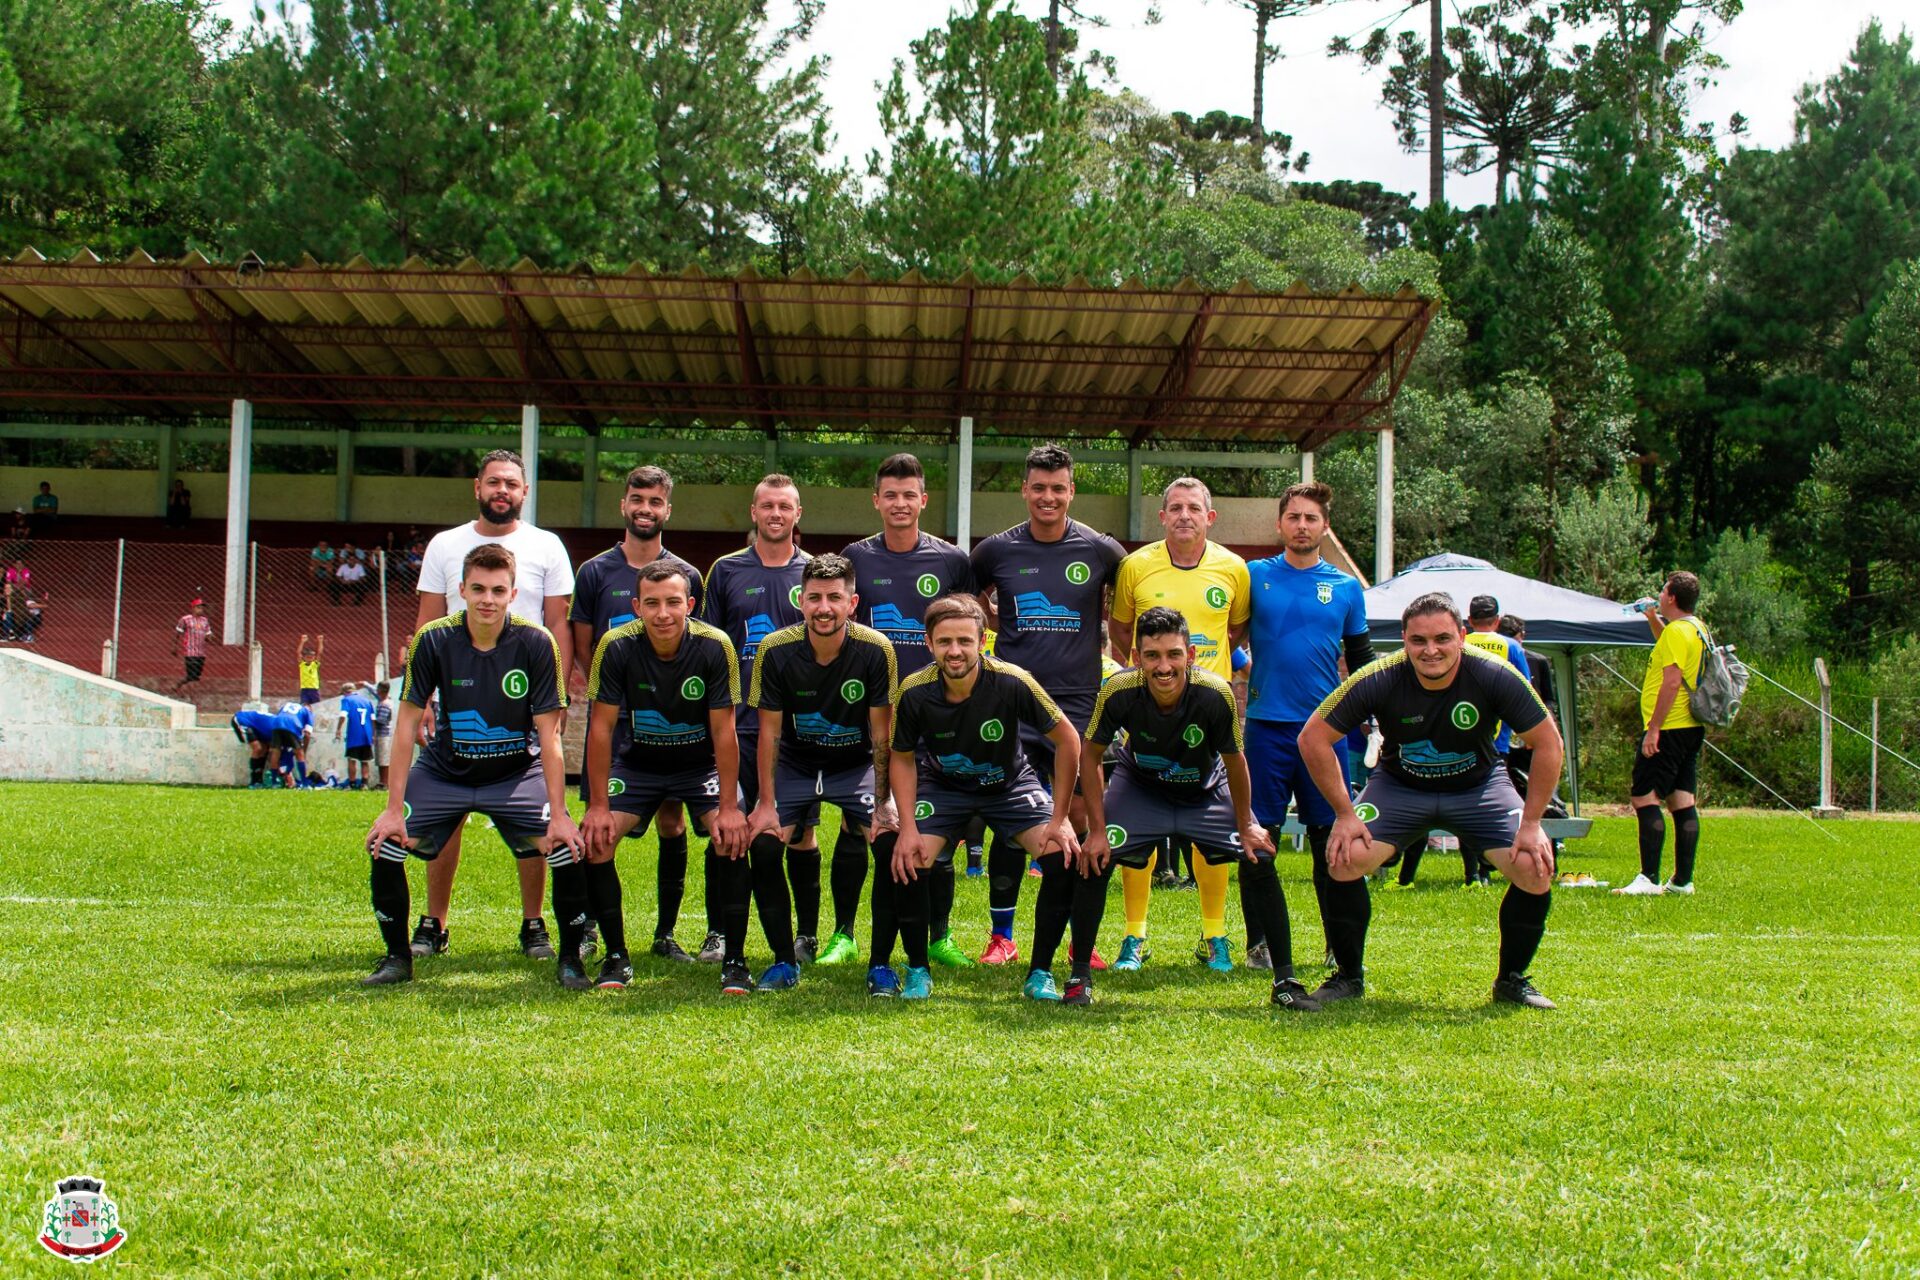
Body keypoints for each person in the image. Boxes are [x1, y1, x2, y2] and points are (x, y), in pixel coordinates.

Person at [1298, 591, 1566, 1010]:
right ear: (1403, 639)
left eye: (1442, 639)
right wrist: (1345, 814)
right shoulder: (1378, 676)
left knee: (1534, 866)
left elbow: (1548, 743)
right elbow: (1313, 737)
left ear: (1462, 636)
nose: (1431, 650)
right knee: (1344, 856)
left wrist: (1532, 825)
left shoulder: (1495, 673)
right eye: (1418, 641)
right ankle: (1348, 977)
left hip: (1479, 787)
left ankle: (1511, 980)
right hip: (1400, 787)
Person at [1048, 608, 1314, 1008]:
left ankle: (1285, 982)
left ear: (1190, 655)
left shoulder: (1214, 693)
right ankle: (1079, 978)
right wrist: (1098, 830)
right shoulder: (1118, 689)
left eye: (1173, 654)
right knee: (1094, 859)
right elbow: (1091, 753)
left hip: (1204, 791)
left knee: (1259, 855)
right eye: (1152, 656)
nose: (1163, 666)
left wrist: (1248, 824)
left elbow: (1235, 761)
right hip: (1140, 788)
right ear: (1136, 658)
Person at [361, 543, 582, 987]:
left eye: (498, 590)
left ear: (513, 593)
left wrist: (560, 815)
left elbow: (549, 737)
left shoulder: (537, 642)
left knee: (565, 846)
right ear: (460, 589)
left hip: (517, 774)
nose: (487, 599)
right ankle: (397, 958)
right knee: (386, 842)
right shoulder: (434, 638)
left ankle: (570, 959)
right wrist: (391, 807)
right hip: (444, 771)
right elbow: (406, 726)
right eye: (478, 588)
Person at [410, 449, 577, 963]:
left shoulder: (546, 546)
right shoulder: (446, 545)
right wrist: (426, 699)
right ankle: (435, 920)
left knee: (534, 815)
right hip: (459, 690)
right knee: (449, 807)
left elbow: (558, 626)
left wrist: (559, 698)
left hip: (525, 695)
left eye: (512, 483)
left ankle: (534, 922)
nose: (502, 490)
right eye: (493, 483)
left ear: (524, 492)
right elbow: (427, 623)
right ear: (477, 487)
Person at [968, 444, 1124, 965]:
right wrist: (998, 629)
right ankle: (1002, 937)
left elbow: (1124, 612)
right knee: (1012, 819)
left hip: (1078, 705)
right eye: (1039, 487)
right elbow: (970, 607)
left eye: (1058, 488)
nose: (1048, 497)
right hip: (1012, 705)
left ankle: (1082, 939)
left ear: (1072, 491)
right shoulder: (995, 551)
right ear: (1024, 490)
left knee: (1079, 819)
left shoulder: (1102, 551)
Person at [887, 595, 1081, 1000]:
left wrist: (1060, 818)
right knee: (909, 856)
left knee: (1061, 856)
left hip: (1010, 786)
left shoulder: (1012, 680)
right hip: (944, 787)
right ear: (928, 643)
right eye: (944, 642)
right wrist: (906, 827)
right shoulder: (914, 690)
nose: (954, 651)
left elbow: (1068, 738)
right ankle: (918, 969)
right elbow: (902, 758)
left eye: (964, 641)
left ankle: (1040, 973)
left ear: (981, 641)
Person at [578, 561, 751, 993]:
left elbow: (724, 732)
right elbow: (599, 729)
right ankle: (616, 957)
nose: (663, 613)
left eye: (673, 602)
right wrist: (598, 806)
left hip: (701, 767)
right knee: (596, 842)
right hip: (639, 765)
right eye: (651, 603)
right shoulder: (615, 646)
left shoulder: (716, 645)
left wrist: (729, 809)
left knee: (732, 839)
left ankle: (734, 959)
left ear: (690, 604)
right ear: (636, 606)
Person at [1105, 478, 1252, 973]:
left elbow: (1237, 628)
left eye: (1194, 508)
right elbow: (1122, 630)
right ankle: (1134, 937)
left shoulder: (1233, 568)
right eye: (1175, 508)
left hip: (1207, 712)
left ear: (1210, 518)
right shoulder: (1135, 566)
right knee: (1137, 822)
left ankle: (1215, 936)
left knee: (1212, 827)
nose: (1184, 515)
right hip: (1149, 706)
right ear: (1161, 516)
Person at [838, 452, 974, 969]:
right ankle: (844, 934)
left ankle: (938, 934)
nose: (899, 504)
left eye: (908, 495)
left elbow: (964, 630)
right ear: (877, 501)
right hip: (871, 712)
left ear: (924, 500)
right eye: (889, 495)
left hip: (938, 716)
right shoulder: (856, 557)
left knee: (935, 823)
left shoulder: (951, 560)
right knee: (861, 824)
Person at [569, 464, 706, 962]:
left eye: (655, 502)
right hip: (615, 719)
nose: (645, 509)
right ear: (623, 504)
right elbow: (584, 645)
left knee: (672, 823)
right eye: (637, 500)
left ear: (667, 509)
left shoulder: (688, 574)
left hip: (670, 721)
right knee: (599, 823)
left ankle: (665, 934)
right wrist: (618, 692)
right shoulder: (595, 572)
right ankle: (587, 928)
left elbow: (694, 646)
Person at [745, 555, 899, 992]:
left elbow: (881, 735)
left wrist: (885, 802)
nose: (824, 607)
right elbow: (769, 734)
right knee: (765, 845)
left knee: (889, 845)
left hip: (856, 764)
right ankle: (782, 962)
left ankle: (880, 965)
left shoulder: (875, 648)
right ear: (801, 600)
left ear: (852, 602)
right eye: (815, 597)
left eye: (834, 597)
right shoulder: (775, 649)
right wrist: (766, 803)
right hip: (796, 762)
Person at [1240, 481, 1373, 973]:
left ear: (1324, 526)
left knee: (1330, 841)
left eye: (1311, 518)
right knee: (1259, 840)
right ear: (1280, 524)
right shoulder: (1254, 576)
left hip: (1324, 734)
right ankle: (1260, 944)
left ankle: (1339, 943)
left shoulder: (1345, 587)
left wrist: (1369, 719)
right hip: (1266, 731)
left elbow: (1361, 661)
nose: (1301, 526)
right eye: (1293, 517)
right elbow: (1226, 633)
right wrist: (1240, 664)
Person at [702, 475, 819, 964]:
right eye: (767, 506)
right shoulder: (726, 570)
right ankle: (718, 933)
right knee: (727, 828)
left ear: (797, 514)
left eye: (785, 506)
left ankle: (807, 934)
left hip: (798, 731)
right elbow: (708, 648)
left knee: (801, 833)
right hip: (739, 725)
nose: (776, 514)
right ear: (753, 512)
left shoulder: (815, 572)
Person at [1616, 571, 1708, 897]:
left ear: (1670, 596)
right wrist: (1652, 618)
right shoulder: (1695, 629)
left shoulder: (1677, 633)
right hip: (1690, 727)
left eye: (1663, 591)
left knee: (1644, 796)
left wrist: (1653, 729)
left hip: (1668, 727)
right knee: (1682, 800)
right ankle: (1683, 881)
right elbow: (1668, 643)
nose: (1660, 593)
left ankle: (1649, 878)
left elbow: (1671, 682)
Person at [335, 682, 376, 789]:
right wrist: (373, 734)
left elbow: (343, 715)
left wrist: (338, 729)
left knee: (351, 759)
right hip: (367, 733)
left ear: (345, 692)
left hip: (354, 733)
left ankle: (352, 784)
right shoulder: (367, 701)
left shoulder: (347, 700)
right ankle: (364, 784)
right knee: (365, 760)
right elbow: (373, 719)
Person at [270, 698, 316, 787]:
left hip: (276, 724)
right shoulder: (307, 711)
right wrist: (303, 751)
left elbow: (279, 715)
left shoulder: (287, 705)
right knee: (300, 754)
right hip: (292, 725)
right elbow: (307, 734)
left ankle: (274, 782)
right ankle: (304, 783)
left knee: (276, 752)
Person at [230, 707, 279, 787]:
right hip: (243, 720)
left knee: (264, 749)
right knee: (257, 748)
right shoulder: (278, 730)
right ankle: (254, 780)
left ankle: (259, 779)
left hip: (258, 727)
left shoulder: (279, 728)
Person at [172, 597, 213, 694]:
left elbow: (208, 634)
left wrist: (209, 637)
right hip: (190, 651)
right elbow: (178, 633)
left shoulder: (204, 621)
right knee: (191, 674)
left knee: (196, 676)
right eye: (198, 607)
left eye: (202, 608)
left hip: (201, 652)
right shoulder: (185, 619)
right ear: (193, 608)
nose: (201, 610)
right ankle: (178, 686)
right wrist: (174, 647)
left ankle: (183, 689)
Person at [371, 680, 394, 789]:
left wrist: (371, 720)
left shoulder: (385, 704)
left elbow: (382, 720)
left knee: (384, 760)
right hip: (383, 734)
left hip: (383, 735)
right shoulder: (385, 701)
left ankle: (385, 783)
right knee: (380, 759)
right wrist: (366, 685)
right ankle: (382, 782)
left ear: (382, 691)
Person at [296, 634, 324, 706]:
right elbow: (298, 652)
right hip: (304, 688)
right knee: (304, 704)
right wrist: (302, 642)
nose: (309, 659)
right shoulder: (302, 665)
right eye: (308, 657)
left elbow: (320, 653)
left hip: (314, 688)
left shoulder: (314, 664)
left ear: (313, 658)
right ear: (304, 657)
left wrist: (320, 642)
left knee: (316, 704)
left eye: (311, 657)